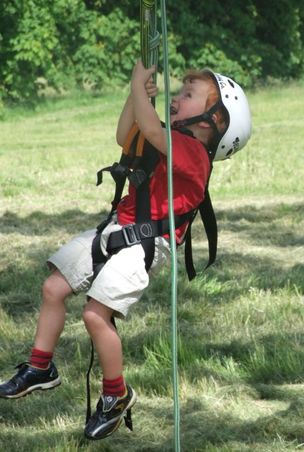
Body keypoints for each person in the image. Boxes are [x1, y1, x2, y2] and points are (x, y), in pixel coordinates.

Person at [0, 60, 251, 440]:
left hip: (151, 243)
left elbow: (149, 128)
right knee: (54, 287)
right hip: (119, 227)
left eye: (188, 95)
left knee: (95, 314)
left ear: (213, 120)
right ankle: (40, 368)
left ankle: (115, 395)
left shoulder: (193, 153)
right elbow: (126, 135)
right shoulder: (166, 137)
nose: (177, 97)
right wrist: (134, 97)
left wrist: (139, 88)